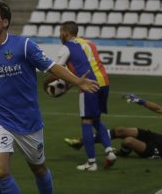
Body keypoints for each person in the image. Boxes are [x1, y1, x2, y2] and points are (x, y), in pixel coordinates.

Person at [0, 2, 100, 193]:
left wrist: (78, 81)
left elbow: (52, 66)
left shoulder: (24, 45)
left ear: (4, 23)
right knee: (1, 171)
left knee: (39, 169)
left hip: (28, 121)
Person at [43, 21, 116, 172]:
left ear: (65, 33)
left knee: (86, 121)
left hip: (88, 84)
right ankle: (109, 151)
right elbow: (85, 64)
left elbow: (57, 69)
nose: (59, 35)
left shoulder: (66, 47)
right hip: (104, 82)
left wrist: (45, 84)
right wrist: (70, 84)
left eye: (60, 32)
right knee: (96, 118)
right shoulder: (89, 43)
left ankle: (91, 162)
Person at [65, 94, 162, 159]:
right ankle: (82, 142)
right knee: (121, 130)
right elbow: (159, 109)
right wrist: (140, 101)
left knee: (128, 141)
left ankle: (123, 151)